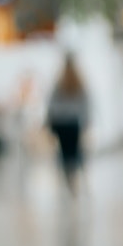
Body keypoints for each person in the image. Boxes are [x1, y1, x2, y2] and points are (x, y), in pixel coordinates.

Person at [45, 58, 89, 191]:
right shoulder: (78, 83)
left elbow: (52, 104)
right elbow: (84, 104)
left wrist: (49, 121)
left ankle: (67, 178)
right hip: (73, 122)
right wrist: (85, 121)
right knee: (74, 151)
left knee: (64, 152)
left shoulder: (59, 83)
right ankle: (73, 178)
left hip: (60, 123)